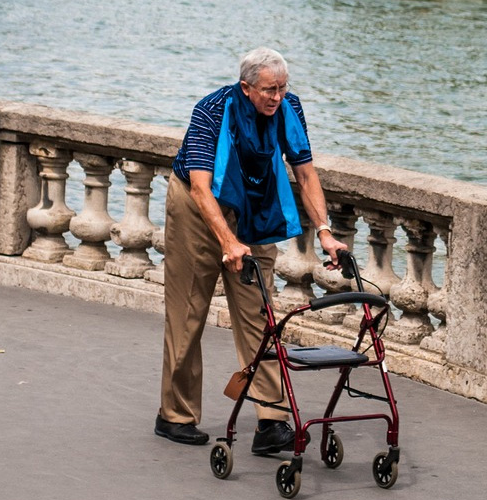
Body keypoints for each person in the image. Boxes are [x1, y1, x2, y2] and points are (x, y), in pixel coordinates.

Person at [155, 47, 347, 453]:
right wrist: (227, 241)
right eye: (268, 90)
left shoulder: (289, 109)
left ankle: (270, 421)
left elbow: (305, 172)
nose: (276, 97)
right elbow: (201, 187)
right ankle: (175, 415)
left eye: (281, 88)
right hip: (198, 209)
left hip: (255, 207)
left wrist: (325, 231)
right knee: (189, 311)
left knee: (260, 314)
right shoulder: (211, 111)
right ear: (246, 88)